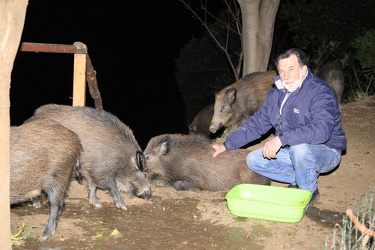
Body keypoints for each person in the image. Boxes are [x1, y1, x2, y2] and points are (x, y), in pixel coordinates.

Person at [212, 48, 347, 205]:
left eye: (291, 69)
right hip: (293, 151)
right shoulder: (277, 94)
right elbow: (257, 124)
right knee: (253, 160)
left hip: (325, 151)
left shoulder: (320, 92)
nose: (285, 76)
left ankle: (309, 191)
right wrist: (227, 144)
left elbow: (322, 131)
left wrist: (282, 140)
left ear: (303, 69)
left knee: (300, 147)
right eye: (281, 71)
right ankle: (304, 173)